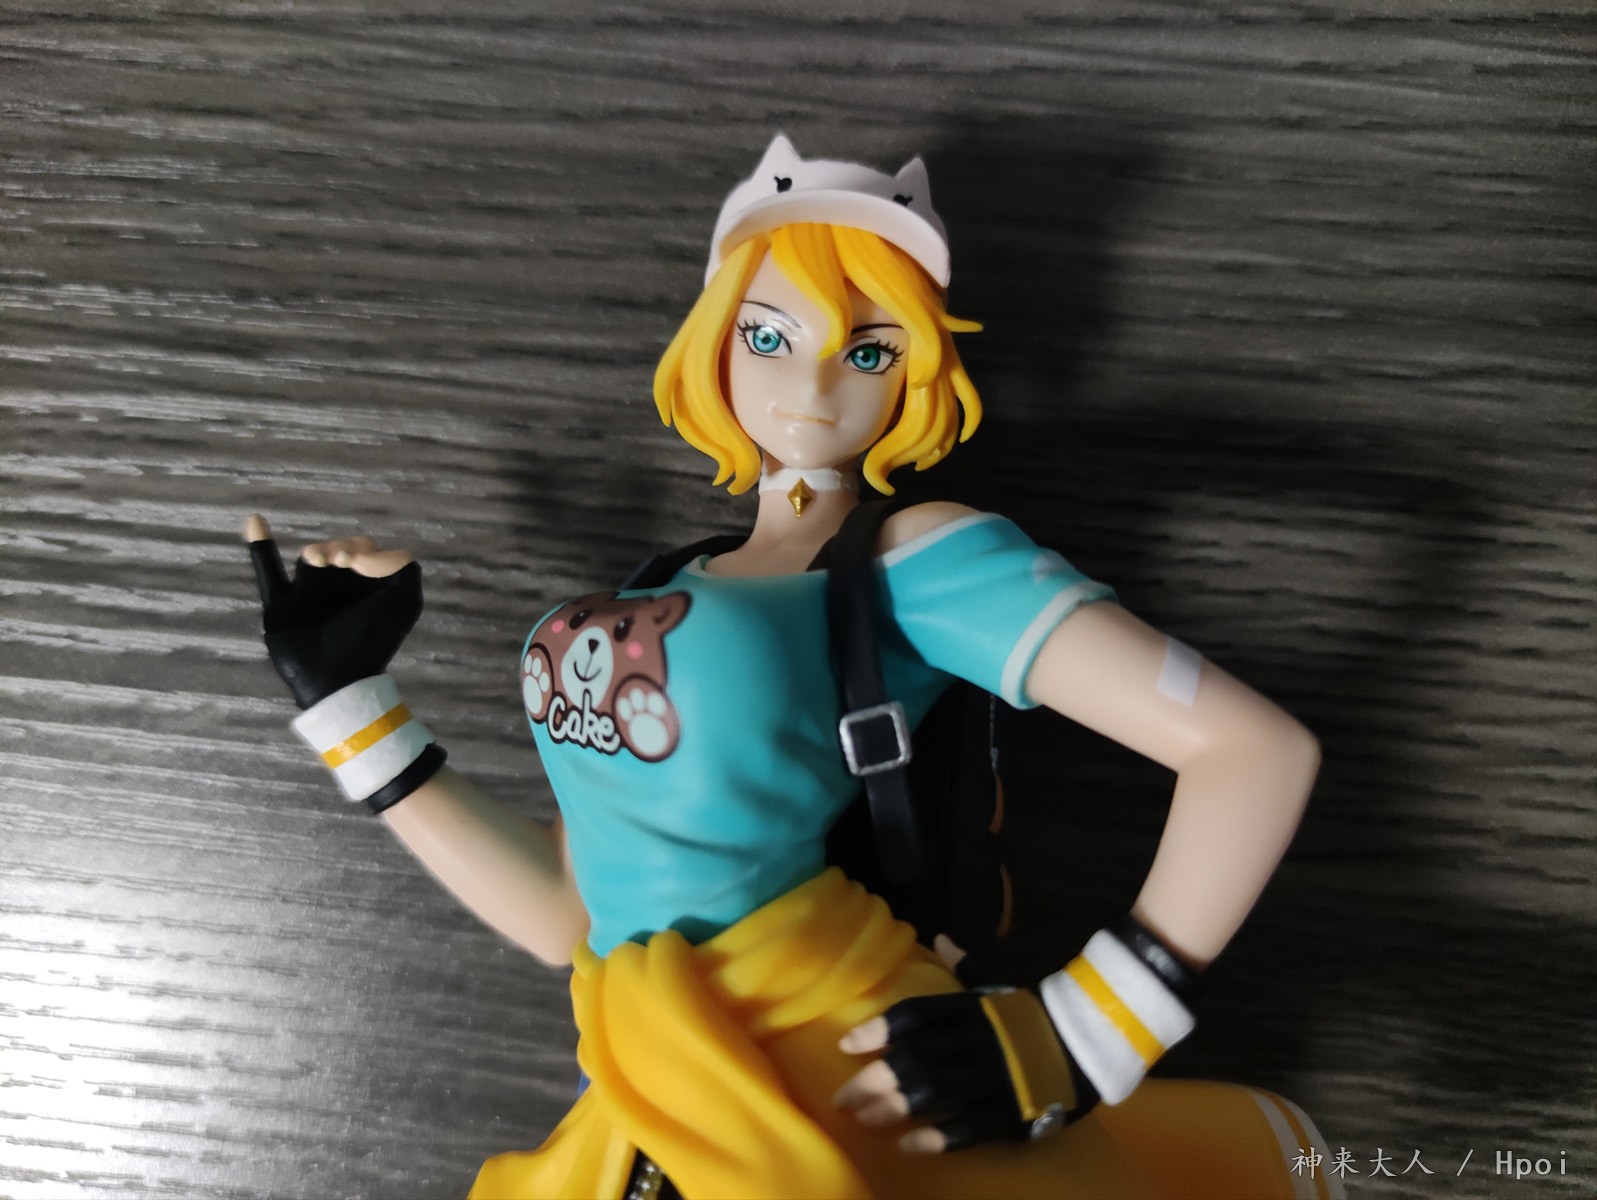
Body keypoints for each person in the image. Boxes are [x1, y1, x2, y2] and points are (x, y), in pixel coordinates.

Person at [245, 135, 1340, 1200]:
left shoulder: (921, 557)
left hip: (833, 1056)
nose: (813, 382)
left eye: (868, 352)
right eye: (768, 336)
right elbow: (571, 915)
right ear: (713, 342)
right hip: (644, 1070)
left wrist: (1087, 1029)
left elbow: (1252, 750)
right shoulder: (662, 578)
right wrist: (350, 703)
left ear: (916, 370)